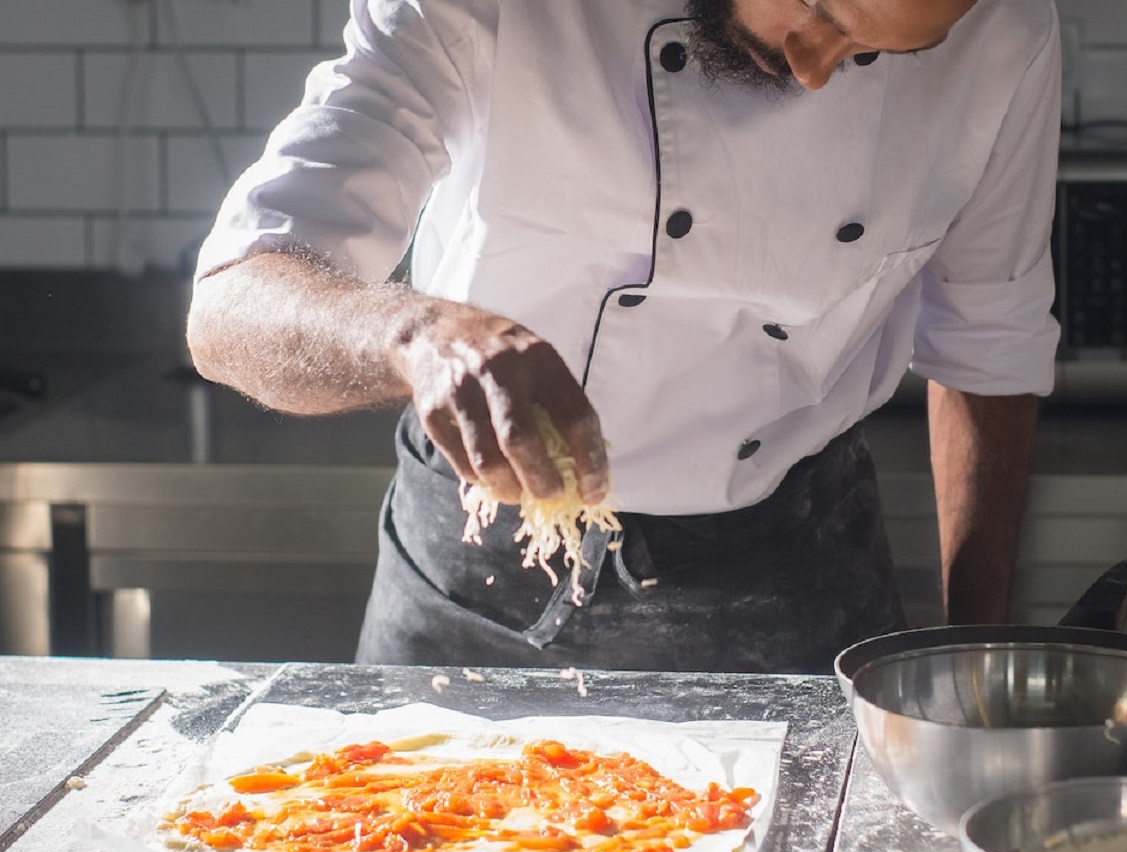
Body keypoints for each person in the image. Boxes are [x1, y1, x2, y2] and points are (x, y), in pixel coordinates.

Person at [186, 0, 1063, 675]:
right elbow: (231, 302)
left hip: (790, 579)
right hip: (471, 577)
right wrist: (415, 335)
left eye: (878, 54)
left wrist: (972, 665)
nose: (819, 69)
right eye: (820, 13)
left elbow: (991, 340)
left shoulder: (1006, 34)